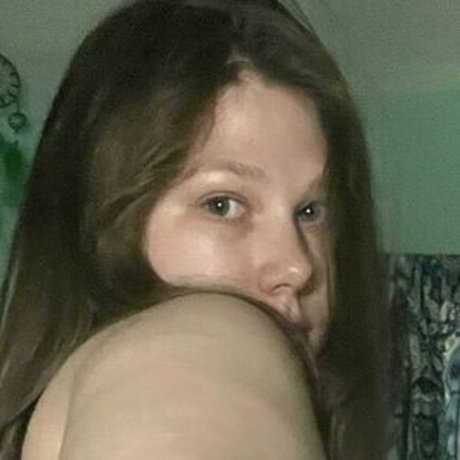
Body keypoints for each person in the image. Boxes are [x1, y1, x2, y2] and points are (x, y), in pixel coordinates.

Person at [0, 0, 388, 458]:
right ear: (98, 222)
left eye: (309, 211)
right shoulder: (208, 336)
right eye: (222, 205)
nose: (298, 265)